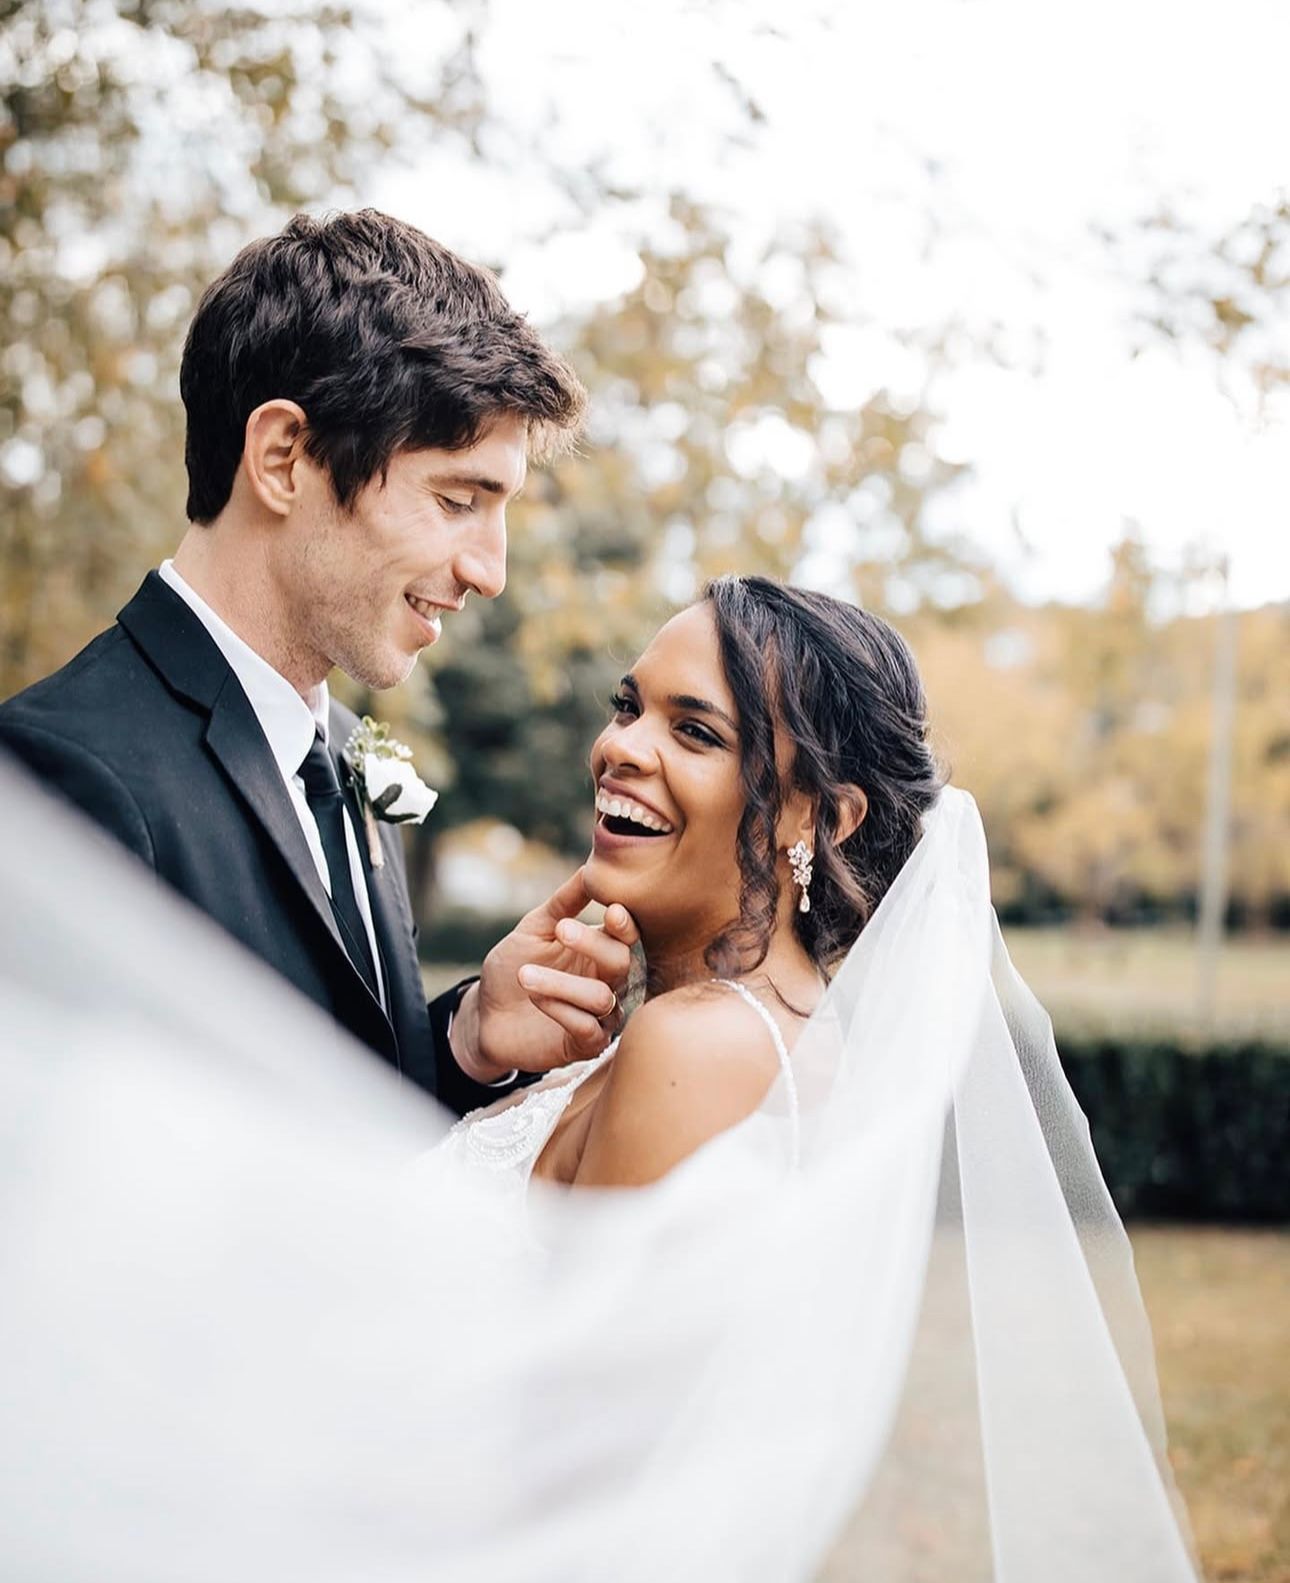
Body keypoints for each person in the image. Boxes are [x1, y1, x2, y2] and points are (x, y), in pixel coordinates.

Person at [0, 576, 1199, 1580]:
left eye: (697, 730)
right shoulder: (730, 1026)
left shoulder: (701, 1046)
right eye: (630, 705)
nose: (621, 745)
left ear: (821, 818)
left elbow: (569, 1479)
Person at [0, 209, 635, 1115]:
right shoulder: (57, 780)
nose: (490, 572)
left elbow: (334, 1118)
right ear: (285, 457)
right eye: (458, 499)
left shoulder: (338, 749)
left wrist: (466, 1039)